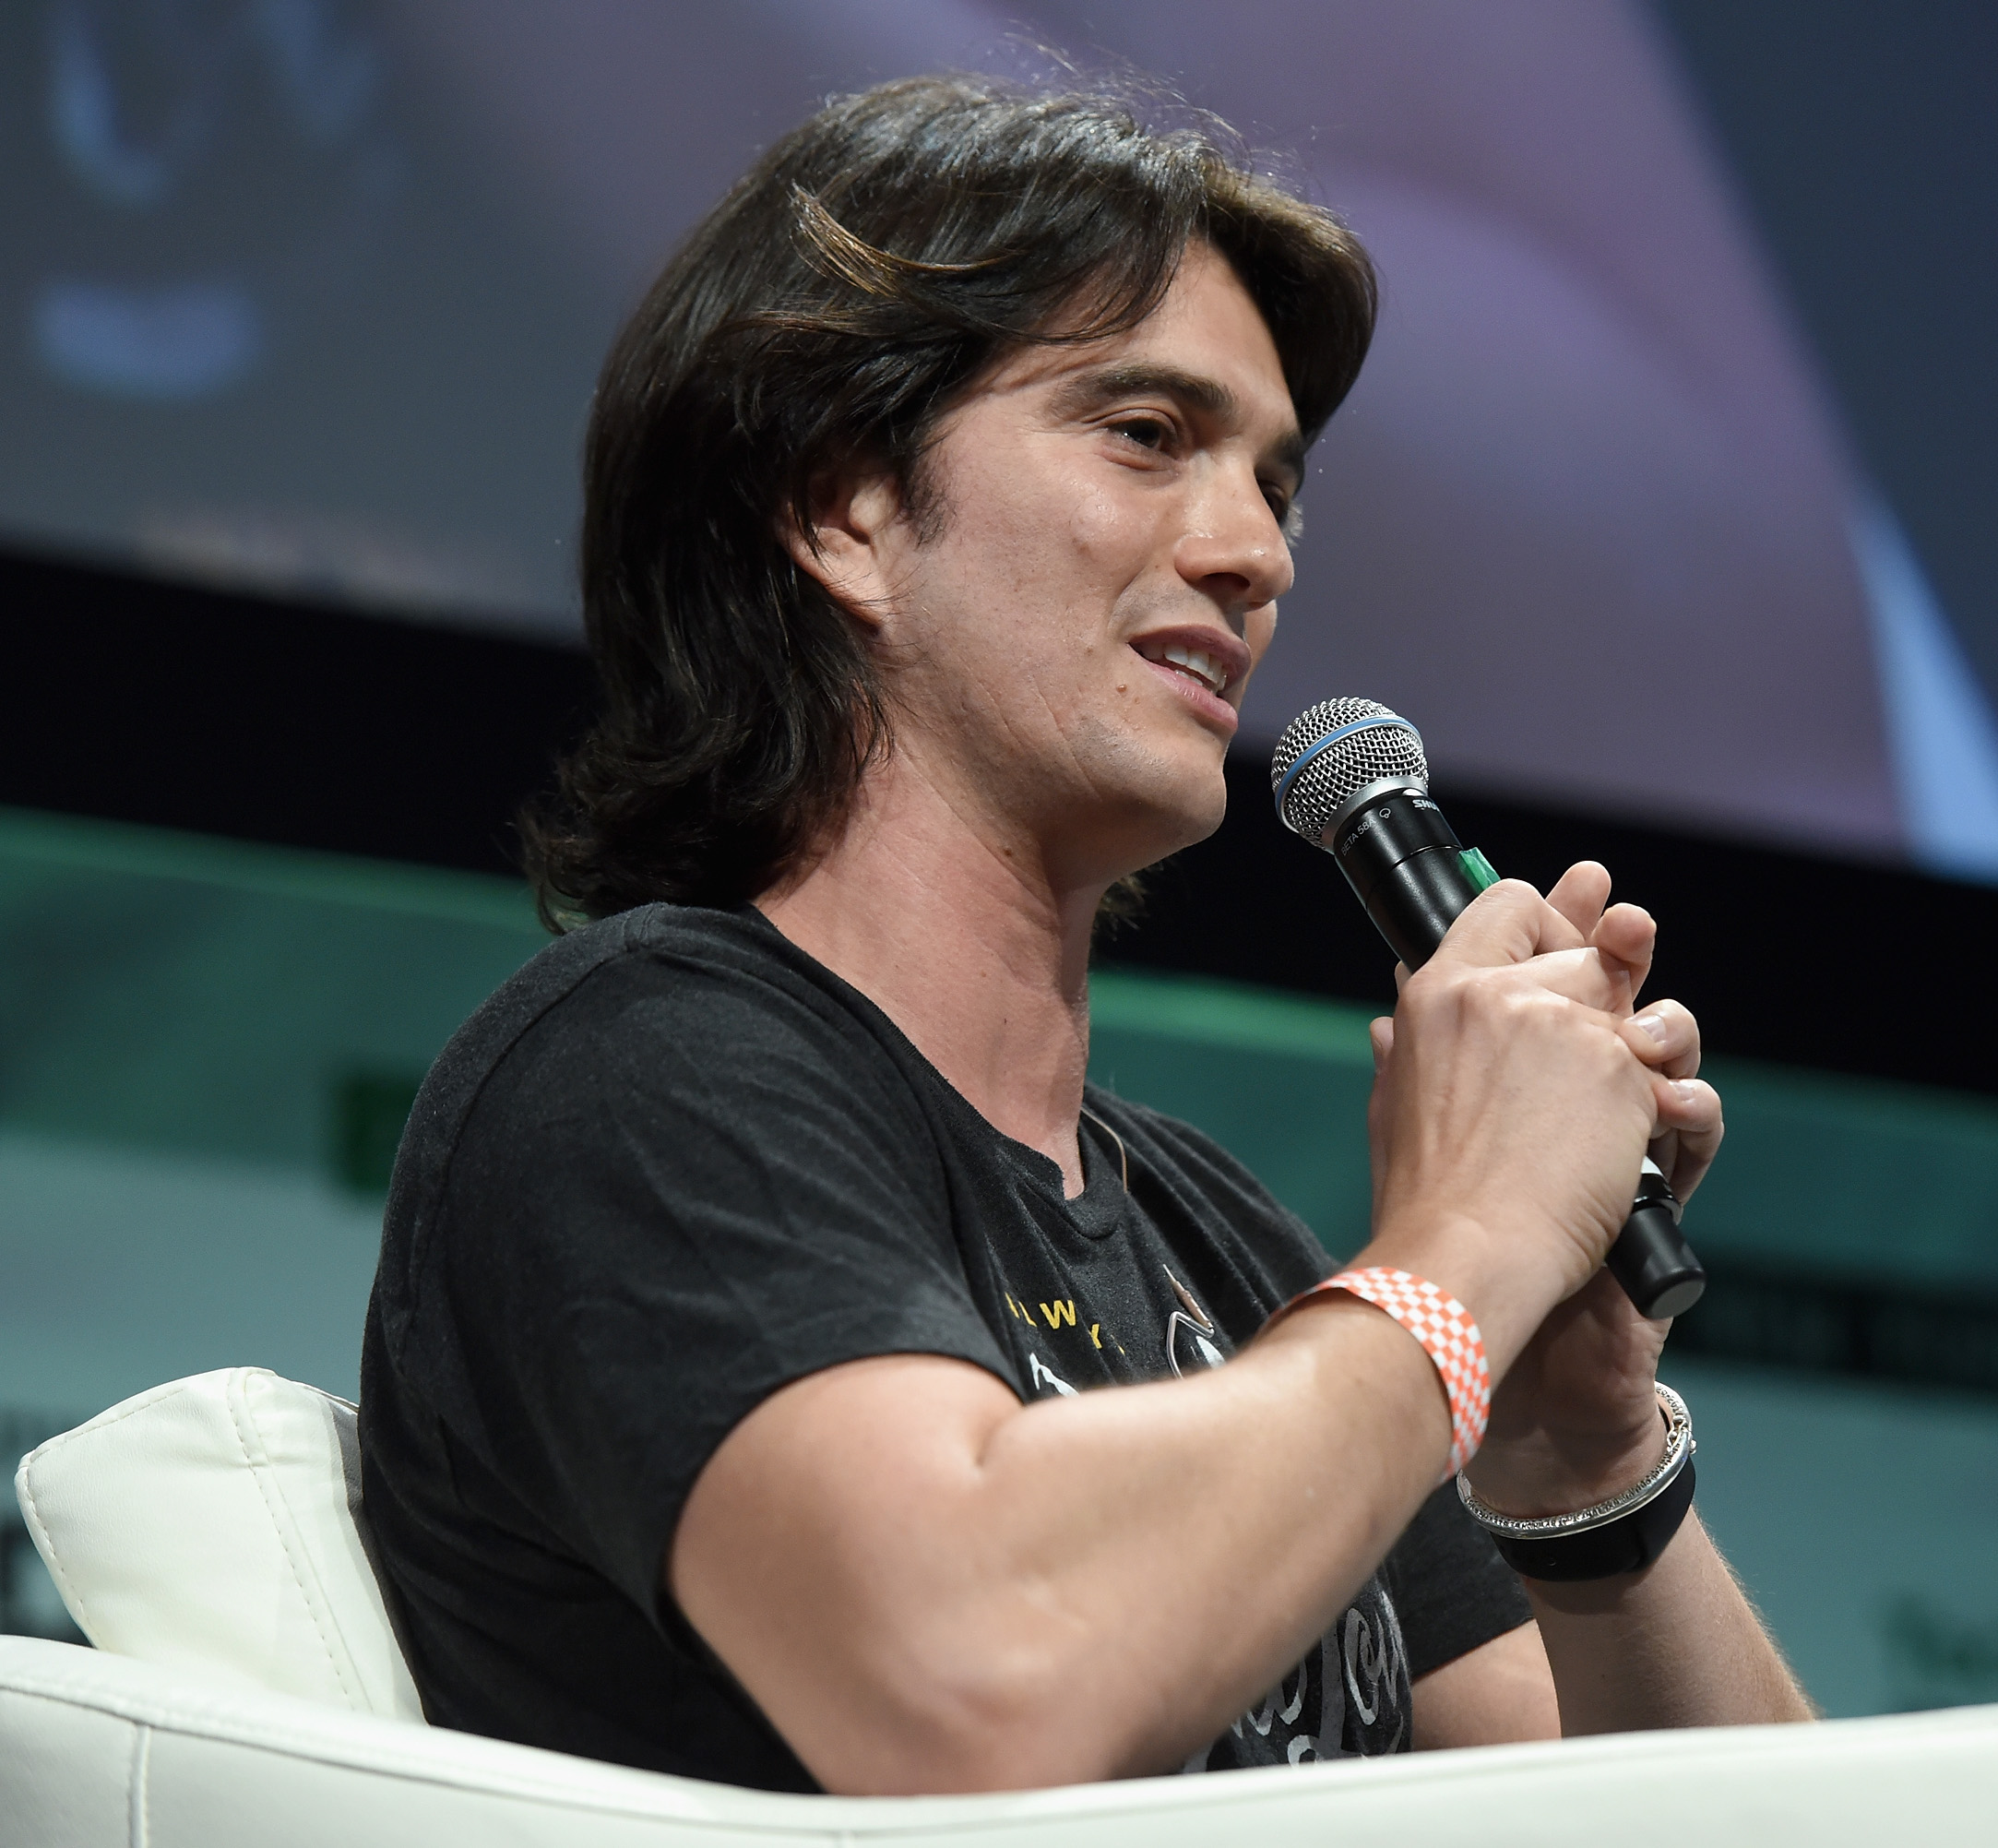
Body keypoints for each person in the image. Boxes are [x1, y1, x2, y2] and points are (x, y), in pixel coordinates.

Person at [358, 73, 1814, 1798]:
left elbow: (1769, 1831)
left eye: (1277, 483)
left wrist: (1583, 1451)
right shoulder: (635, 1076)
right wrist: (1474, 1241)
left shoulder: (1221, 1240)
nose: (1257, 552)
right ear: (844, 509)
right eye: (1145, 434)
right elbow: (975, 1689)